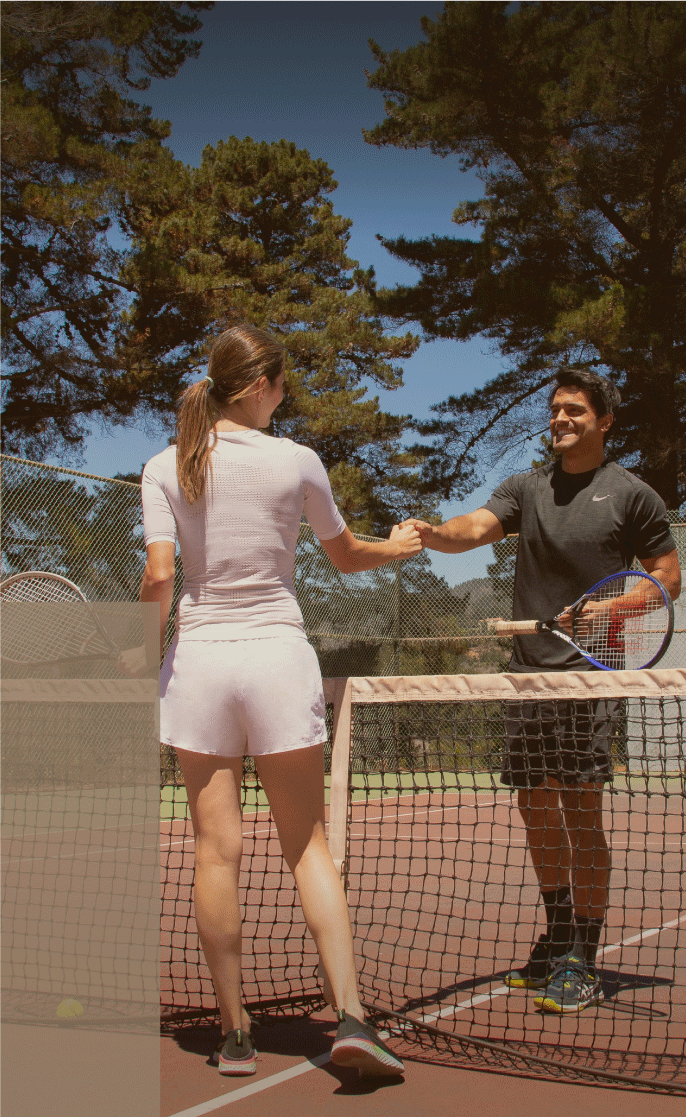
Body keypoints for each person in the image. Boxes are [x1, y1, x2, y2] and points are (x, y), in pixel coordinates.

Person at [140, 323, 421, 1075]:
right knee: (308, 847)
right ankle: (353, 1022)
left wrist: (139, 656)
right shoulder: (297, 461)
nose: (284, 396)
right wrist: (398, 544)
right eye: (282, 383)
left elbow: (160, 580)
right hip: (276, 661)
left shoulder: (165, 465)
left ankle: (235, 1036)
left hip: (198, 667)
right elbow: (348, 554)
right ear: (262, 386)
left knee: (214, 854)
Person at [402, 368, 681, 1013]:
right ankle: (557, 937)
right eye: (555, 409)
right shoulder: (526, 489)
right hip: (529, 677)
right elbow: (474, 527)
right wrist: (433, 534)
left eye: (575, 410)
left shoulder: (631, 495)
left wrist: (614, 608)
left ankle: (583, 953)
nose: (560, 419)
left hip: (591, 676)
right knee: (535, 809)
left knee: (581, 813)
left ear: (604, 420)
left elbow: (666, 575)